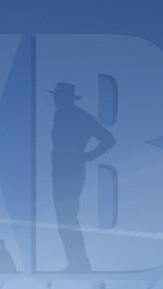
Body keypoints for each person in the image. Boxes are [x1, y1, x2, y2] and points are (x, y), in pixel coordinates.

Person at [50, 82, 115, 272]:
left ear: (66, 98)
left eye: (58, 96)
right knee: (64, 218)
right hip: (61, 170)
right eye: (55, 97)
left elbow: (109, 139)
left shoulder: (80, 117)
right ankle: (77, 262)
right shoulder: (60, 114)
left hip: (70, 171)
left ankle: (79, 263)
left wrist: (88, 156)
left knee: (67, 217)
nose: (55, 100)